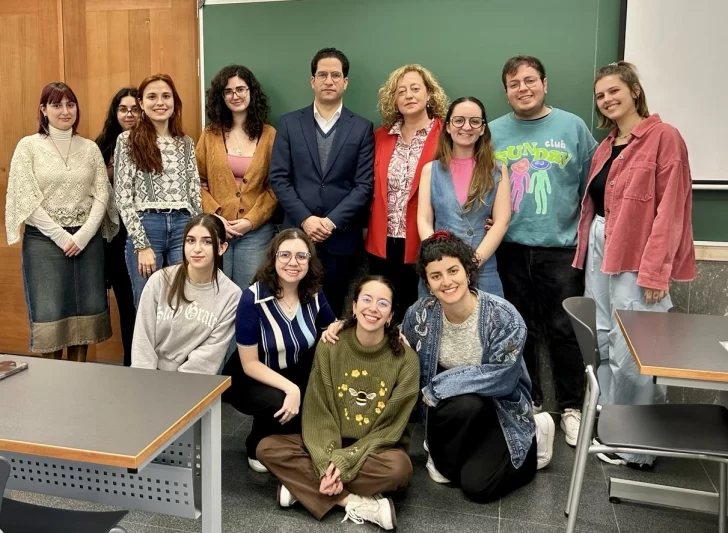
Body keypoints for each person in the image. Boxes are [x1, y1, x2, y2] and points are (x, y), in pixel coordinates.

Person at [573, 61, 696, 468]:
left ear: (634, 92)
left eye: (614, 91)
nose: (607, 99)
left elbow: (671, 210)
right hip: (600, 248)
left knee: (637, 351)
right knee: (605, 341)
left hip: (639, 254)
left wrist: (657, 270)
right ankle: (614, 427)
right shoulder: (606, 144)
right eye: (600, 95)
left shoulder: (664, 138)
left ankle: (640, 446)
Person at [489, 55, 598, 444]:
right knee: (519, 330)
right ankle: (530, 403)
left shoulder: (573, 127)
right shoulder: (492, 131)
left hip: (561, 249)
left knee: (564, 330)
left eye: (530, 80)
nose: (523, 88)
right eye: (514, 83)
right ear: (506, 91)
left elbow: (594, 186)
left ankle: (572, 407)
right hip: (510, 248)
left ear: (545, 84)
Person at [401, 232, 555, 502]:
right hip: (454, 415)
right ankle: (457, 454)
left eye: (453, 271)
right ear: (427, 282)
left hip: (499, 410)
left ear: (468, 271)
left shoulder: (504, 317)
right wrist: (343, 327)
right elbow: (398, 351)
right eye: (436, 276)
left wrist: (439, 386)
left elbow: (502, 378)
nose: (447, 282)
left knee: (478, 487)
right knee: (448, 472)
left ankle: (536, 438)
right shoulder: (419, 314)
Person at [257, 275, 419, 530]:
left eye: (382, 304)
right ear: (354, 307)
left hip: (374, 449)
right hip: (329, 439)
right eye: (366, 299)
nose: (373, 308)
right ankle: (352, 501)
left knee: (400, 470)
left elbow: (391, 427)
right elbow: (318, 409)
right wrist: (326, 462)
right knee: (266, 448)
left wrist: (344, 462)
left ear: (390, 316)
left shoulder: (406, 359)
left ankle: (303, 488)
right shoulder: (331, 345)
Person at [5, 82, 118, 361]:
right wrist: (60, 236)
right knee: (50, 312)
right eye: (56, 105)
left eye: (70, 104)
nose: (65, 111)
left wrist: (82, 235)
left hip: (86, 242)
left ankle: (80, 378)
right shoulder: (28, 147)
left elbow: (102, 194)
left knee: (86, 311)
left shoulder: (90, 148)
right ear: (43, 110)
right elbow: (26, 198)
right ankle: (54, 385)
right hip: (44, 242)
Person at [269, 47, 374, 317]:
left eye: (336, 75)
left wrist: (330, 221)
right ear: (312, 81)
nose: (329, 80)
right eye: (323, 74)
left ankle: (326, 358)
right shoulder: (290, 123)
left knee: (333, 311)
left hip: (340, 237)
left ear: (345, 82)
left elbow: (363, 185)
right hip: (297, 236)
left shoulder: (362, 127)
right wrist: (306, 219)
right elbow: (279, 178)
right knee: (291, 307)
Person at [228, 229, 336, 472]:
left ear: (310, 260)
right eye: (285, 255)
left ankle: (283, 439)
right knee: (278, 402)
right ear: (273, 258)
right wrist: (292, 389)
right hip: (252, 376)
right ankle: (255, 443)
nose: (293, 263)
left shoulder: (314, 292)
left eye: (301, 256)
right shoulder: (252, 298)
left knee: (311, 412)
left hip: (295, 369)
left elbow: (333, 326)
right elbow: (249, 364)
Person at [365, 64, 447, 321]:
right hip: (383, 241)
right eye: (401, 91)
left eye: (415, 89)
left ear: (429, 94)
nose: (409, 95)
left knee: (421, 316)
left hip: (426, 239)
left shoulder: (447, 134)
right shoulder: (381, 136)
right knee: (384, 312)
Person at [114, 74, 202, 307]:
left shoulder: (186, 143)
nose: (160, 102)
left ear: (174, 102)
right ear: (142, 104)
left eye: (166, 96)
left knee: (183, 303)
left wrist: (197, 236)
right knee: (149, 305)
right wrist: (141, 244)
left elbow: (194, 194)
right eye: (152, 97)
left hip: (183, 228)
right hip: (146, 227)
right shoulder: (127, 140)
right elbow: (122, 197)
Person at [418, 97, 511, 298]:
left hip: (482, 268)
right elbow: (424, 220)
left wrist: (472, 263)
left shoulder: (498, 170)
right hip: (439, 269)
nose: (466, 127)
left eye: (474, 121)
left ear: (483, 128)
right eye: (459, 120)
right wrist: (438, 259)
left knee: (487, 327)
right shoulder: (430, 170)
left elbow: (502, 222)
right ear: (449, 127)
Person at [196, 64, 277, 291]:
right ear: (221, 97)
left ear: (251, 92)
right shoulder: (210, 134)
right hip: (215, 229)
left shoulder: (270, 135)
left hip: (256, 233)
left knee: (248, 295)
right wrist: (216, 215)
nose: (235, 96)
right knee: (214, 293)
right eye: (228, 91)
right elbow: (197, 182)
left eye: (241, 89)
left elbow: (275, 187)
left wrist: (250, 222)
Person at [131, 214, 241, 374]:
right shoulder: (160, 281)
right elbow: (143, 341)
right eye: (190, 240)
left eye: (207, 241)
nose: (197, 249)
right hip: (151, 377)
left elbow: (207, 359)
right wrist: (146, 381)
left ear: (222, 247)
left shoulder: (231, 296)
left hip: (195, 382)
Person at [95, 87, 140, 366]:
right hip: (114, 236)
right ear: (115, 113)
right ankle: (130, 363)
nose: (129, 114)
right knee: (127, 305)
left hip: (147, 232)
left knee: (150, 304)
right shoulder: (101, 146)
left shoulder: (154, 142)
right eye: (123, 109)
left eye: (135, 109)